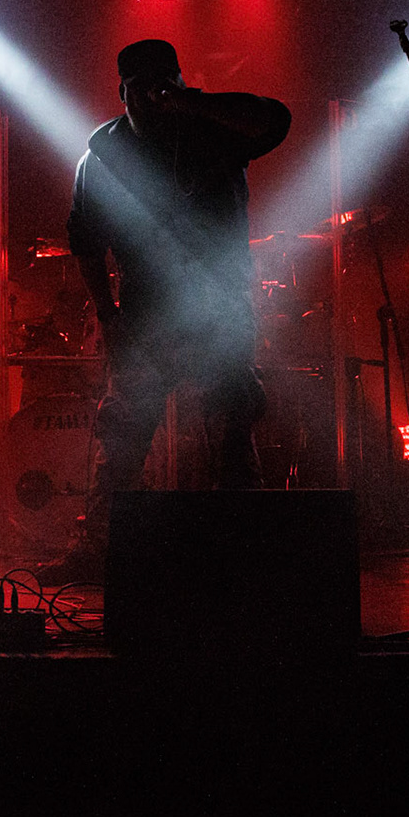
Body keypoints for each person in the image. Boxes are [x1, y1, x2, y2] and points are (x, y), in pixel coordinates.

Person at [42, 39, 291, 581]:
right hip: (145, 317)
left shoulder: (213, 130)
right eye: (138, 88)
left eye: (163, 84)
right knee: (122, 435)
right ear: (121, 92)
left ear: (178, 81)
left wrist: (190, 103)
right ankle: (98, 550)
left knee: (231, 431)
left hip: (218, 310)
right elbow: (86, 244)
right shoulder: (101, 157)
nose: (150, 98)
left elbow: (275, 121)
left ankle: (244, 555)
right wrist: (108, 316)